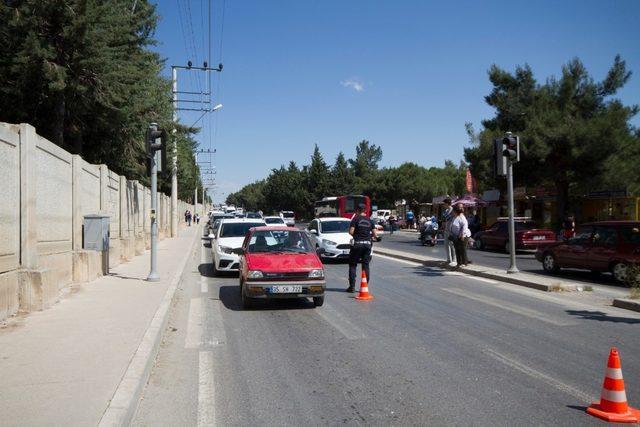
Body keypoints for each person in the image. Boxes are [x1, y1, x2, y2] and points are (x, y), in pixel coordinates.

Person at [347, 204, 378, 293]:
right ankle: (364, 286)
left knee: (353, 265)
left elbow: (351, 231)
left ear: (357, 210)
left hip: (357, 245)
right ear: (365, 210)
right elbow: (375, 234)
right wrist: (370, 236)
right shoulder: (370, 220)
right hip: (367, 245)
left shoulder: (355, 219)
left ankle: (352, 287)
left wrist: (356, 235)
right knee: (366, 266)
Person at [442, 198, 456, 265]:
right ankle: (448, 259)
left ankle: (454, 259)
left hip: (451, 230)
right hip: (446, 229)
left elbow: (449, 218)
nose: (443, 205)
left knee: (452, 245)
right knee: (446, 245)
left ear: (447, 203)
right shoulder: (446, 210)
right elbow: (445, 219)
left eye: (444, 204)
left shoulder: (453, 210)